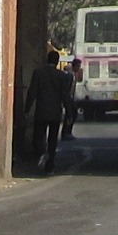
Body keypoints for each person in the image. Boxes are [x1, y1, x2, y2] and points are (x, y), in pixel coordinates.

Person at [20, 48, 74, 177]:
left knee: (38, 137)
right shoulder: (62, 76)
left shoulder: (38, 73)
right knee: (52, 140)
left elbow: (32, 92)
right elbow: (65, 96)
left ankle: (41, 153)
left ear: (46, 60)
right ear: (57, 62)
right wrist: (70, 113)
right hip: (55, 112)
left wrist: (27, 109)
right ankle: (50, 167)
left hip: (41, 111)